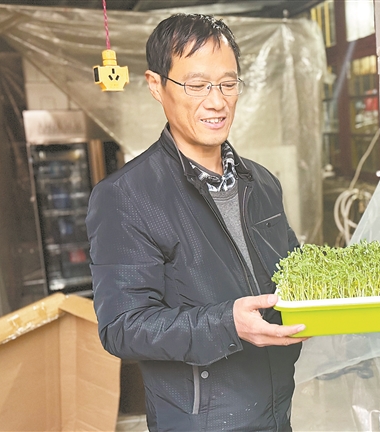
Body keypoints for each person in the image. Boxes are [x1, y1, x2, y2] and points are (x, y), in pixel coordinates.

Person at [87, 13, 307, 432]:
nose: (217, 101)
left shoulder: (261, 183)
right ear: (156, 85)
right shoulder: (126, 196)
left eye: (227, 84)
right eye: (197, 85)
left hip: (278, 409)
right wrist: (227, 324)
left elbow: (292, 270)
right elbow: (121, 328)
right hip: (201, 421)